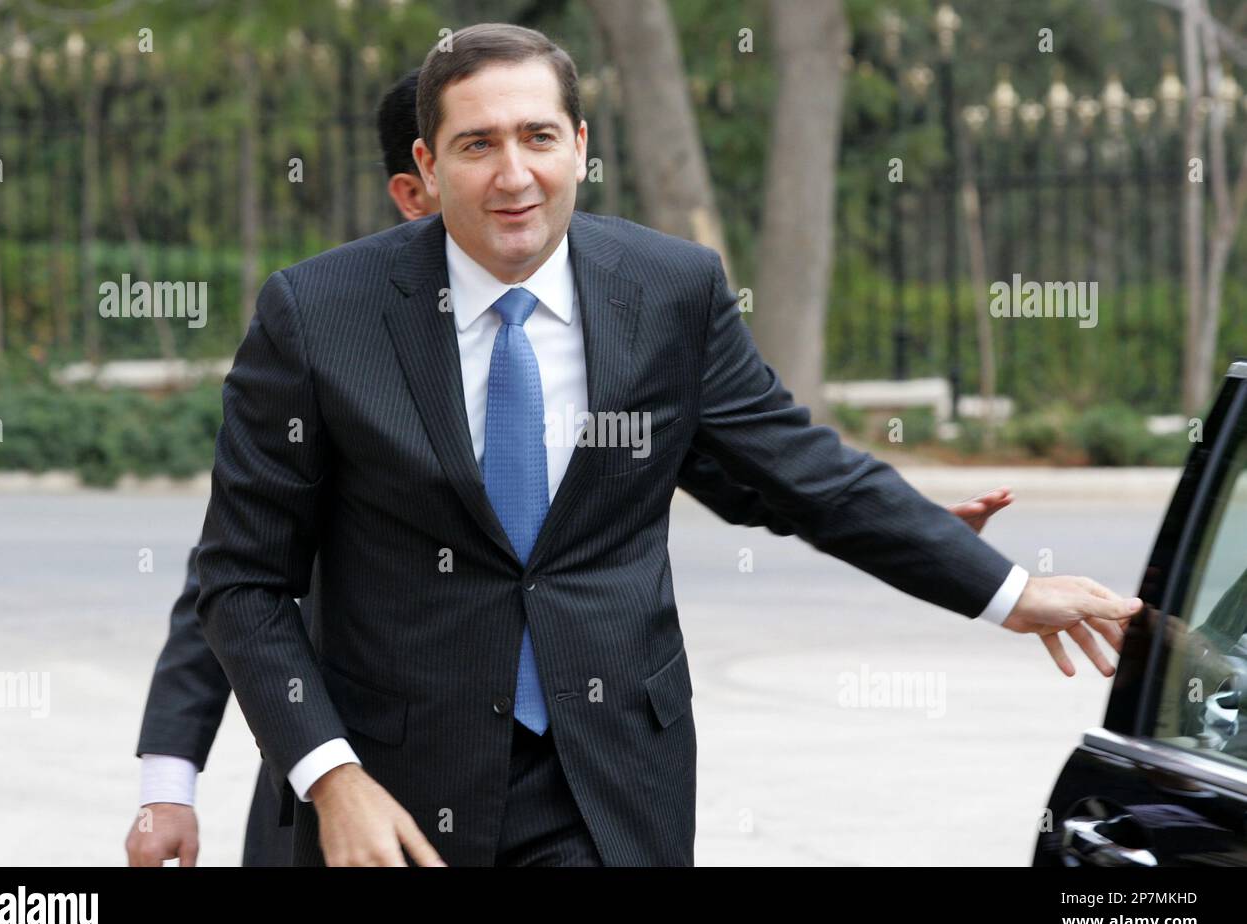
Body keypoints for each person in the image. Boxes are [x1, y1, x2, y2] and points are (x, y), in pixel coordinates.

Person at [194, 24, 1133, 868]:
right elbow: (243, 582)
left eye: (538, 137)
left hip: (606, 784)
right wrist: (329, 776)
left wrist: (1007, 591)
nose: (512, 174)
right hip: (391, 785)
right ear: (428, 168)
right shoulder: (318, 315)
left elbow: (799, 470)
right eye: (477, 144)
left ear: (581, 149)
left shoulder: (670, 291)